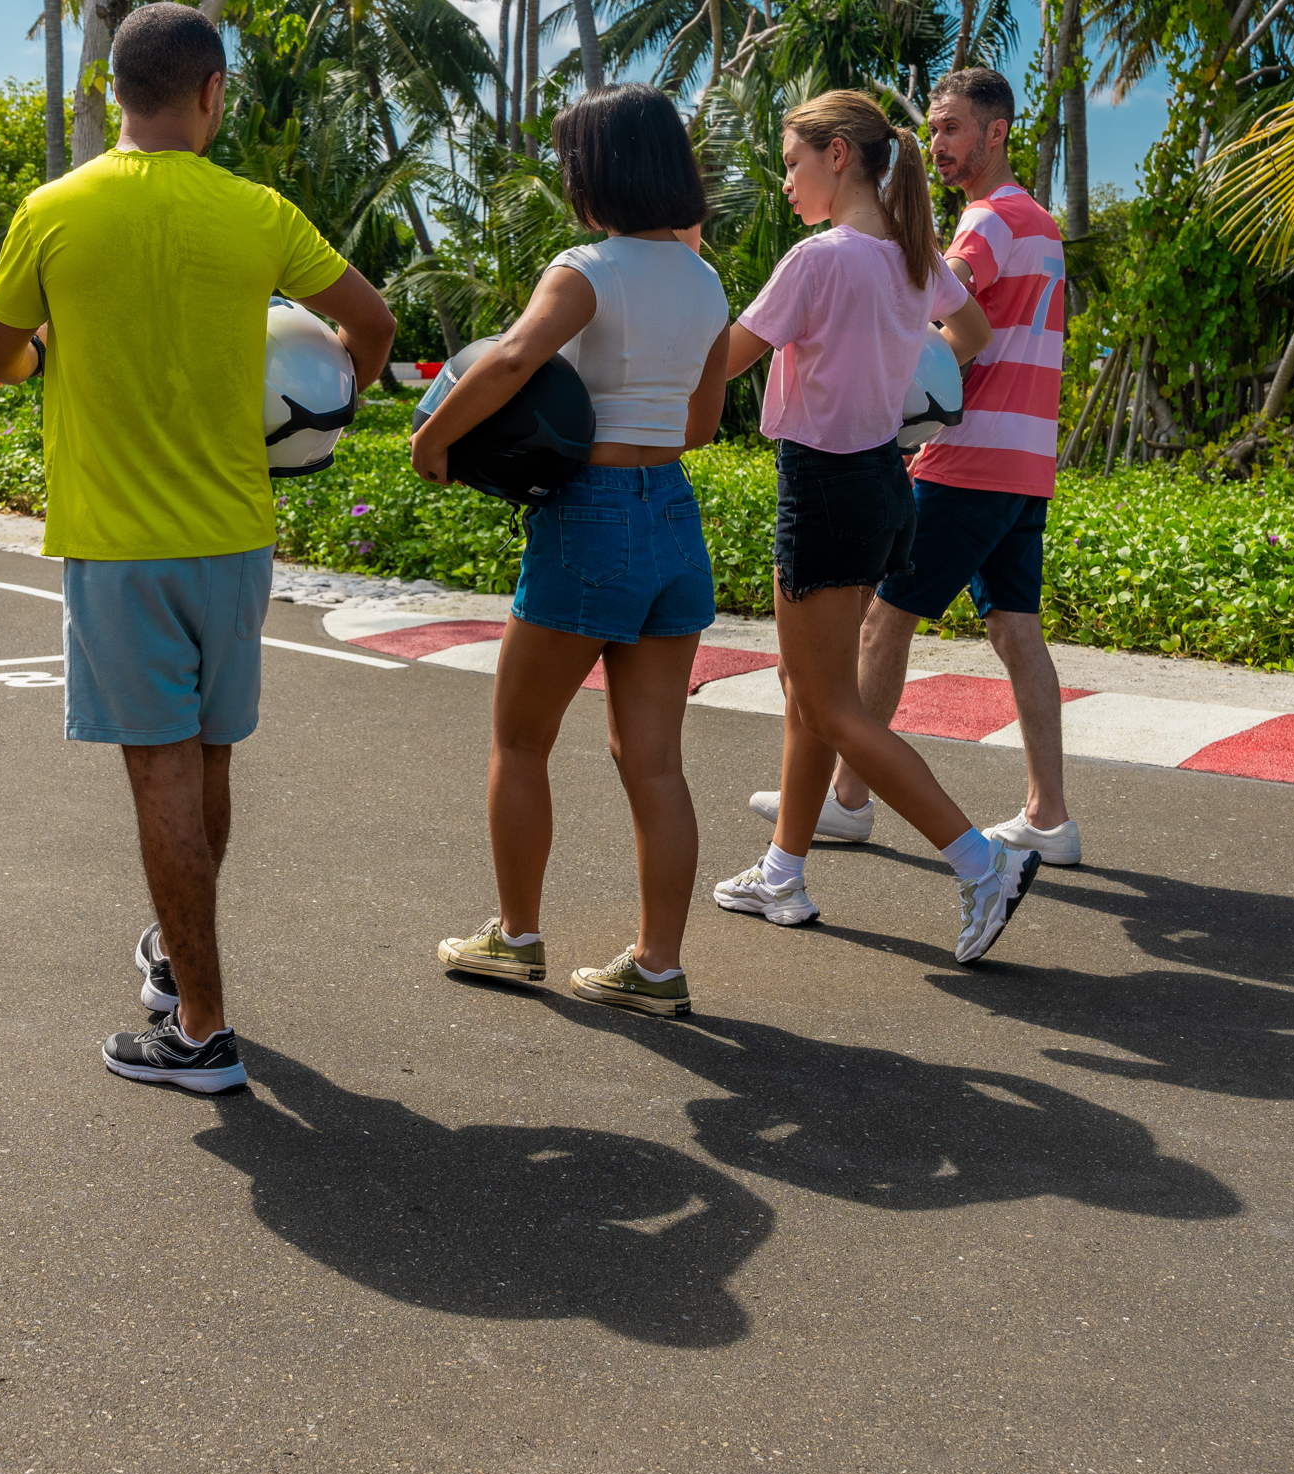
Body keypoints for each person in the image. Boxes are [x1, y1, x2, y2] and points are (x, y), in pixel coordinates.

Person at [0, 2, 395, 1094]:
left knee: (159, 770)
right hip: (235, 542)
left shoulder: (54, 211)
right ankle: (174, 957)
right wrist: (331, 396)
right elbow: (373, 320)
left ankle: (201, 1032)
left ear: (116, 93)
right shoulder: (257, 214)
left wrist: (53, 354)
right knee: (207, 758)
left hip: (119, 546)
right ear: (212, 94)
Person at [699, 88, 1040, 965]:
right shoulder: (911, 255)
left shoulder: (821, 260)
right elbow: (967, 328)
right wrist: (901, 378)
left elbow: (725, 361)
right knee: (806, 689)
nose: (785, 183)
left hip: (819, 483)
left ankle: (982, 861)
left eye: (791, 163)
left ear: (837, 156)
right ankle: (783, 871)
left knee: (829, 704)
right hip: (883, 480)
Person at [413, 85, 733, 1019]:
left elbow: (511, 359)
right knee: (655, 761)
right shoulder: (704, 282)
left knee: (521, 738)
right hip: (673, 513)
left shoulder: (584, 269)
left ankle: (514, 940)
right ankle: (657, 966)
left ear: (597, 173)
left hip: (590, 514)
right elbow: (704, 425)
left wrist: (432, 439)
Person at [753, 67, 1079, 868]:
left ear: (996, 132)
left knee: (882, 621)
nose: (937, 146)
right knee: (1015, 629)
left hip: (967, 457)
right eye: (932, 130)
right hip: (1029, 457)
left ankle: (850, 799)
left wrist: (890, 380)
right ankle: (1049, 816)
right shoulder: (1041, 220)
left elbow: (931, 302)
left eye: (953, 129)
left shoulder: (987, 224)